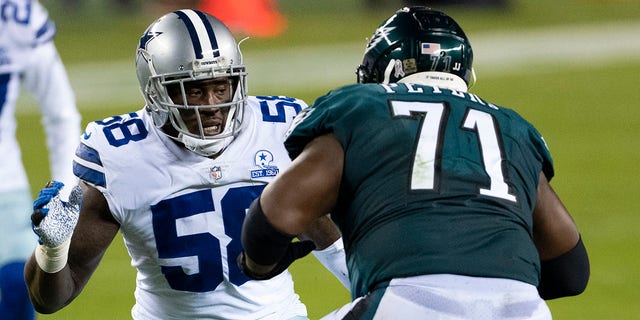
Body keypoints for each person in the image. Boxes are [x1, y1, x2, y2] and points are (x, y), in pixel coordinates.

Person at [238, 6, 590, 319]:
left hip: (408, 301)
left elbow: (274, 215)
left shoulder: (362, 108)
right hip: (523, 308)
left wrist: (257, 265)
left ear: (384, 69)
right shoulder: (513, 128)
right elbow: (571, 272)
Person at [24, 9, 348, 319]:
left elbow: (332, 241)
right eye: (193, 91)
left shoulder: (280, 129)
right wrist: (53, 249)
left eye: (221, 87)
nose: (212, 106)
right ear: (155, 91)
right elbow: (49, 300)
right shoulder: (119, 155)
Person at [0, 0, 81, 319]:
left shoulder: (15, 17)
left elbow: (61, 114)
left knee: (20, 288)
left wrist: (65, 195)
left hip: (3, 180)